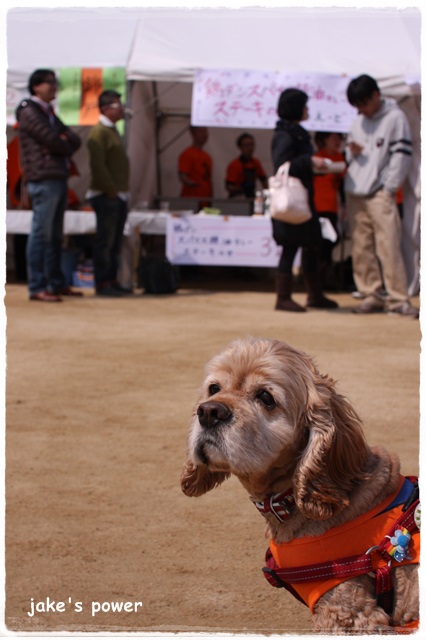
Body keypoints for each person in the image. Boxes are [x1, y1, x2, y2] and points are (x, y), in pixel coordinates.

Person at [344, 74, 418, 317]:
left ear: (376, 95)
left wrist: (389, 188)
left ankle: (397, 299)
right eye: (357, 105)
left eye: (364, 103)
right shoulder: (357, 121)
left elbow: (401, 156)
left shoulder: (395, 117)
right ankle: (370, 294)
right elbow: (348, 155)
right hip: (356, 191)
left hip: (379, 193)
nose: (361, 109)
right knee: (361, 247)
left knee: (389, 246)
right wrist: (351, 153)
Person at [16, 68, 82, 302]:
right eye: (49, 83)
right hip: (43, 177)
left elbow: (73, 138)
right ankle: (37, 284)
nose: (54, 87)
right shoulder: (30, 111)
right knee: (41, 234)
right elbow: (55, 140)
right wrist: (61, 142)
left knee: (54, 235)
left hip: (56, 176)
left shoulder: (48, 112)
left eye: (54, 83)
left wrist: (62, 142)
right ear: (36, 87)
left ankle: (55, 282)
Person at [271, 88, 338, 312]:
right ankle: (283, 297)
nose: (308, 110)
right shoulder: (285, 134)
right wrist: (310, 162)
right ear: (296, 108)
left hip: (303, 200)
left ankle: (315, 294)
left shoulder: (293, 132)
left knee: (311, 245)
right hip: (293, 200)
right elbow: (282, 164)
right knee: (291, 247)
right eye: (305, 106)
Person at [86, 90, 131, 297]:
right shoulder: (99, 132)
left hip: (118, 194)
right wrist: (111, 189)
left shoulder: (112, 130)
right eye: (116, 105)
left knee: (114, 242)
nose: (121, 108)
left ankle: (111, 280)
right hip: (106, 195)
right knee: (105, 241)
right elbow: (98, 165)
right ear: (105, 109)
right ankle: (103, 282)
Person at [313, 131, 347, 290]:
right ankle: (321, 279)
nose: (337, 141)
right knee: (321, 245)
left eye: (339, 138)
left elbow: (343, 185)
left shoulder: (341, 158)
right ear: (324, 140)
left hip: (332, 208)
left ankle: (325, 277)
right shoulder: (318, 158)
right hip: (317, 208)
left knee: (331, 241)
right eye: (333, 138)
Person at [225, 132, 268, 199]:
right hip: (237, 199)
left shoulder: (256, 163)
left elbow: (264, 181)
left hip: (251, 197)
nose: (250, 148)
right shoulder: (234, 165)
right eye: (247, 145)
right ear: (240, 147)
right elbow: (229, 186)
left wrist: (267, 195)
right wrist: (242, 190)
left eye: (251, 144)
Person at [178, 126, 212, 205]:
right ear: (193, 134)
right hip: (191, 201)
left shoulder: (207, 156)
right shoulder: (187, 154)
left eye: (205, 132)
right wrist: (193, 184)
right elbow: (182, 176)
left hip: (206, 201)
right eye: (201, 131)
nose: (204, 135)